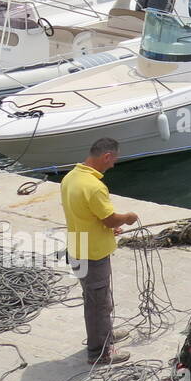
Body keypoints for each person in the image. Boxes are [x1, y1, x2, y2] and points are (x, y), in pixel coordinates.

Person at [61, 138, 138, 365]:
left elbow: (84, 214)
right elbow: (109, 219)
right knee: (98, 305)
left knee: (96, 299)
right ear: (106, 157)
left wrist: (107, 228)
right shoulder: (94, 187)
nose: (113, 165)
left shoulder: (71, 178)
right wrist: (127, 218)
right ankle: (100, 353)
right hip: (92, 255)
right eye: (113, 160)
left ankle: (106, 335)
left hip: (77, 248)